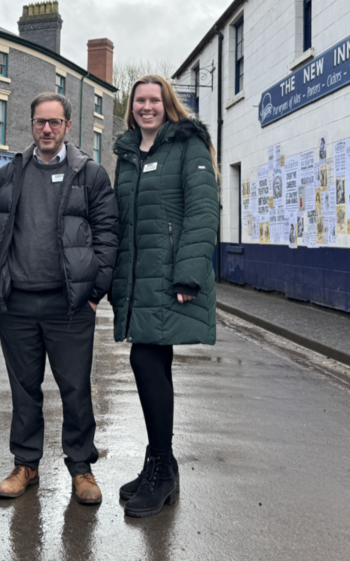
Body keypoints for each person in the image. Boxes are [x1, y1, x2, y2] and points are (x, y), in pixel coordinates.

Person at [0, 92, 118, 505]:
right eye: (40, 122)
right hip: (18, 305)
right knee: (24, 389)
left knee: (75, 389)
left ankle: (81, 467)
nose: (46, 129)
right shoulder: (9, 174)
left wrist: (95, 293)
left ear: (67, 127)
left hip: (70, 305)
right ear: (31, 124)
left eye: (54, 123)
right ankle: (26, 464)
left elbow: (109, 235)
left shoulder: (90, 175)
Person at [110, 74, 219, 519]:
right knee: (152, 361)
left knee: (147, 360)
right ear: (131, 107)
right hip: (139, 279)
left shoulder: (188, 146)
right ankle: (162, 466)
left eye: (155, 100)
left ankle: (161, 467)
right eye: (140, 100)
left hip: (171, 277)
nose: (147, 107)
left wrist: (188, 275)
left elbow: (203, 208)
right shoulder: (129, 154)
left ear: (167, 103)